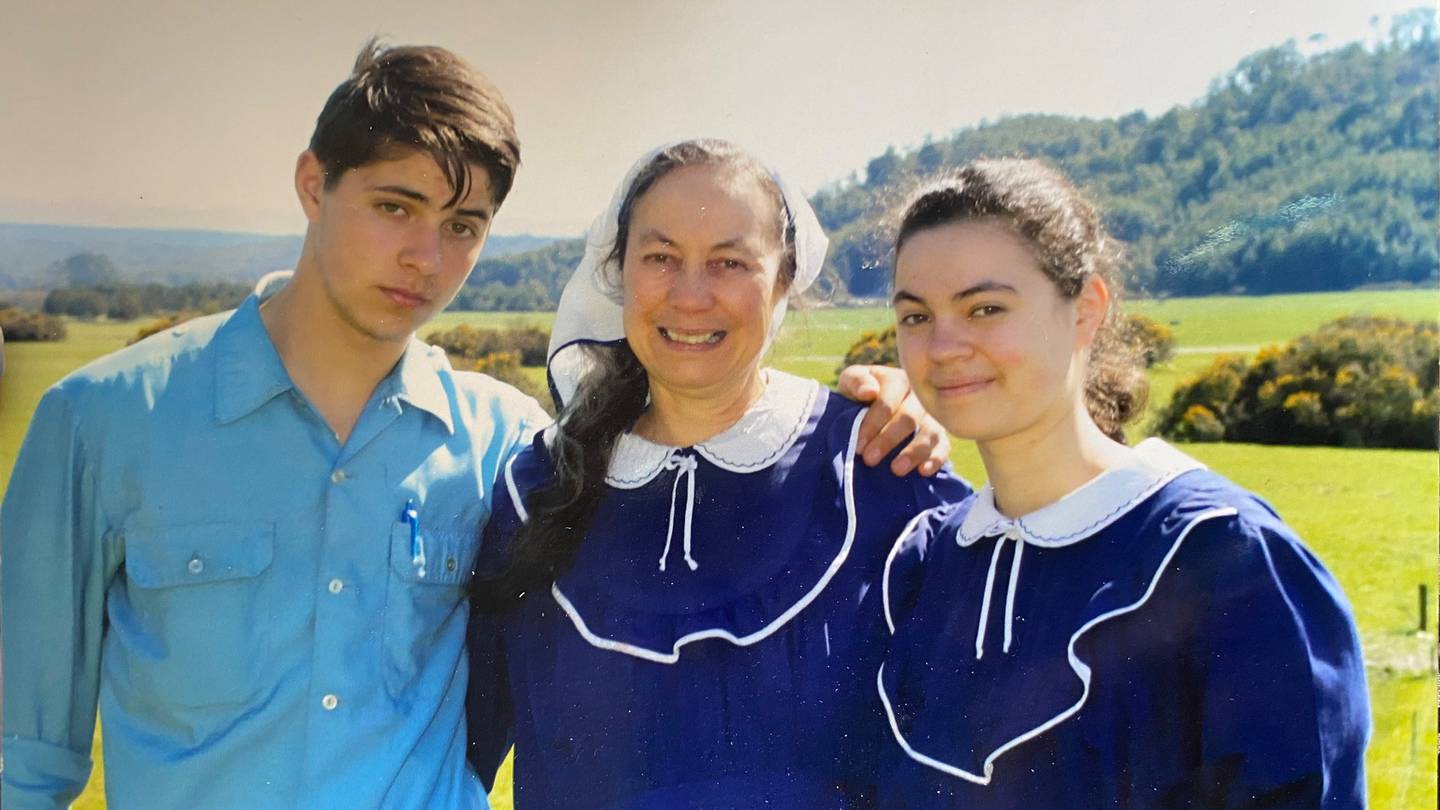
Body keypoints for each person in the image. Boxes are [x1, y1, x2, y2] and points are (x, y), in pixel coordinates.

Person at [0, 44, 943, 809]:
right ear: (312, 183)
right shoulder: (100, 424)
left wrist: (896, 400)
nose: (426, 254)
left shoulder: (509, 449)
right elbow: (20, 759)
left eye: (463, 225)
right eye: (395, 207)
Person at [465, 139, 973, 808]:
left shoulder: (882, 471)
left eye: (730, 262)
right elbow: (451, 756)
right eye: (661, 257)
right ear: (619, 272)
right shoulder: (534, 491)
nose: (691, 295)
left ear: (784, 279)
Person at [875, 159, 1370, 806]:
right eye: (916, 317)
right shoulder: (925, 564)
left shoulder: (1223, 557)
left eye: (985, 308)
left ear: (1086, 310)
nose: (943, 346)